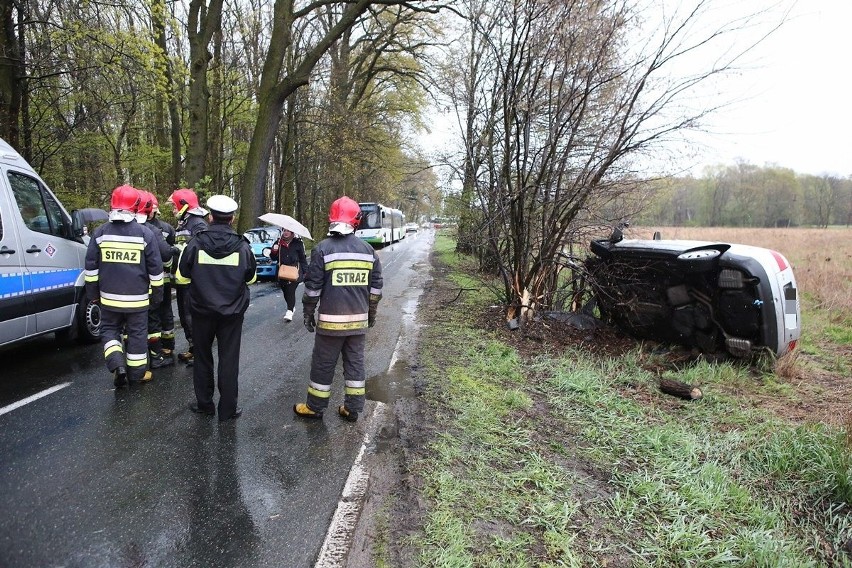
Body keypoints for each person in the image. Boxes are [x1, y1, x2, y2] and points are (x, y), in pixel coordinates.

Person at [293, 196, 383, 422]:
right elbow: (375, 289)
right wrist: (371, 315)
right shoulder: (368, 251)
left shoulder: (322, 249)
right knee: (355, 366)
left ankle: (315, 407)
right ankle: (352, 409)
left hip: (331, 325)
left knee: (323, 365)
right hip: (358, 324)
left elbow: (312, 288)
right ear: (356, 221)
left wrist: (307, 314)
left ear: (331, 220)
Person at [178, 195, 256, 422]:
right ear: (232, 218)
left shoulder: (195, 243)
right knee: (229, 359)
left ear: (210, 217)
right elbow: (251, 279)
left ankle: (205, 405)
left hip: (201, 312)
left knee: (202, 358)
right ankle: (227, 409)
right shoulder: (243, 246)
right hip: (231, 313)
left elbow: (182, 277)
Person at [84, 185, 164, 387]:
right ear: (135, 207)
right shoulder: (145, 234)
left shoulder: (100, 233)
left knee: (109, 331)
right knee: (137, 334)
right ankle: (137, 374)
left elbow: (91, 268)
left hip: (108, 298)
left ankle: (117, 364)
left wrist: (93, 295)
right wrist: (157, 295)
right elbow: (156, 270)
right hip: (137, 299)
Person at [138, 190, 177, 368]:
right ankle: (160, 351)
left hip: (149, 281)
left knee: (157, 314)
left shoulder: (164, 228)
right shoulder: (158, 230)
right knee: (157, 314)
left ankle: (161, 348)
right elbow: (168, 255)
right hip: (157, 279)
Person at [170, 188, 208, 366]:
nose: (173, 210)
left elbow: (200, 251)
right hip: (182, 279)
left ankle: (200, 354)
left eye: (174, 206)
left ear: (183, 205)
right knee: (185, 317)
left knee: (192, 317)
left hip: (192, 282)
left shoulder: (197, 224)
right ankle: (193, 349)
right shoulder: (185, 223)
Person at [269, 228, 308, 321]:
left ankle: (289, 311)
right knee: (285, 291)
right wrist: (274, 251)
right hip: (282, 271)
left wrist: (306, 271)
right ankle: (291, 306)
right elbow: (273, 257)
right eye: (284, 231)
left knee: (290, 290)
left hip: (295, 270)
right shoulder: (278, 242)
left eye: (288, 231)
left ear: (292, 232)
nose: (286, 233)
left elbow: (302, 258)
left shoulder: (298, 243)